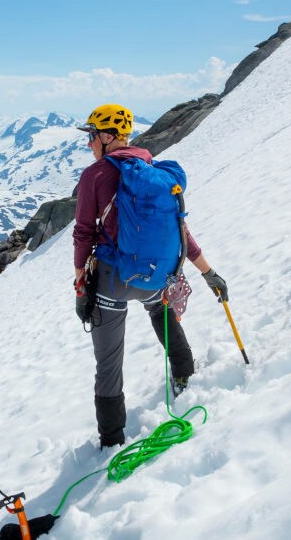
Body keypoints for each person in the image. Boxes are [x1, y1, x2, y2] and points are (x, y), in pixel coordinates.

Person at [71, 103, 230, 447]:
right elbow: (180, 229)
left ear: (109, 137)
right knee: (160, 309)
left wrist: (81, 284)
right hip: (157, 279)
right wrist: (208, 272)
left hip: (114, 281)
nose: (89, 144)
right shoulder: (152, 169)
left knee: (109, 362)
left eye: (93, 137)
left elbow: (84, 232)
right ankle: (185, 375)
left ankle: (111, 439)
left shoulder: (94, 176)